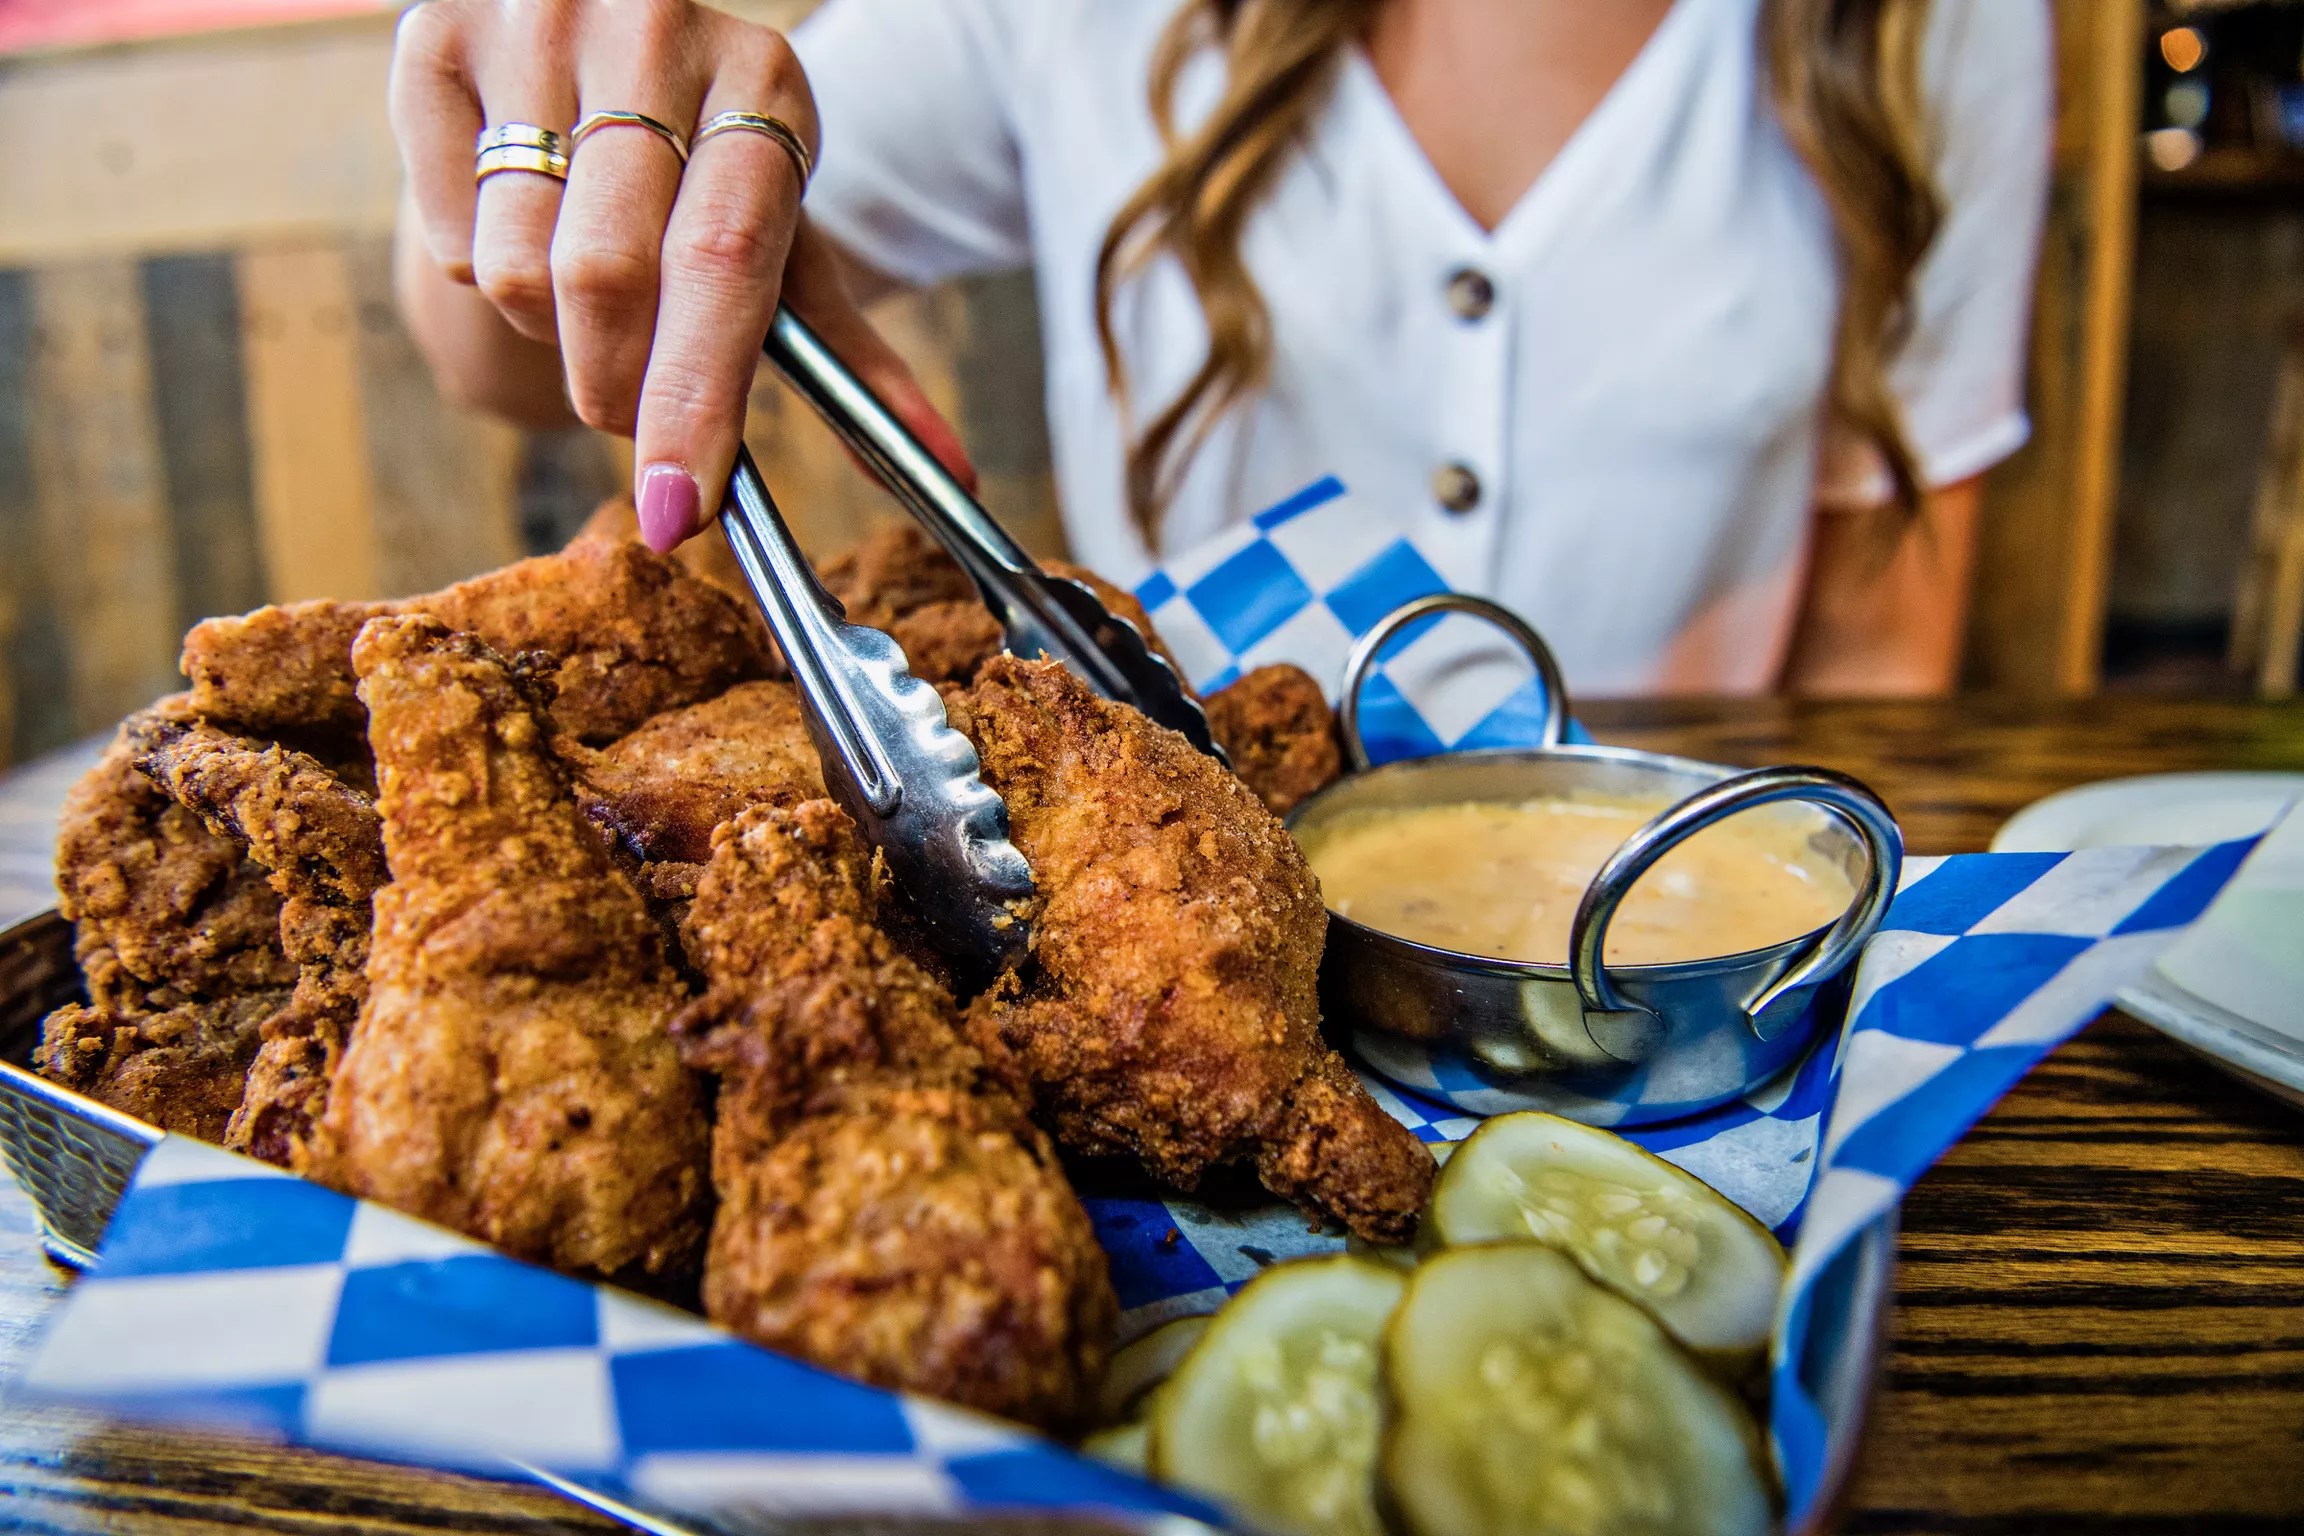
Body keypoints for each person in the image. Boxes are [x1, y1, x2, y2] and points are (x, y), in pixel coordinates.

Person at [392, 0, 2051, 695]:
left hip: (1648, 930)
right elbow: (499, 367)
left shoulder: (1930, 31)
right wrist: (552, 154)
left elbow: (1878, 659)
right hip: (1173, 835)